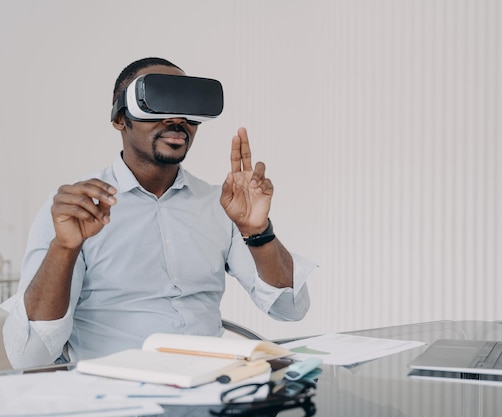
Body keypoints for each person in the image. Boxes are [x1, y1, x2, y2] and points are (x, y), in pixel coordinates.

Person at [1, 57, 315, 369]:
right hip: (113, 395)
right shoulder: (76, 211)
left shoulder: (221, 204)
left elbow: (290, 308)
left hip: (208, 388)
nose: (176, 118)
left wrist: (258, 231)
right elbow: (29, 356)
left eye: (186, 106)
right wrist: (64, 248)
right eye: (158, 103)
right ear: (120, 119)